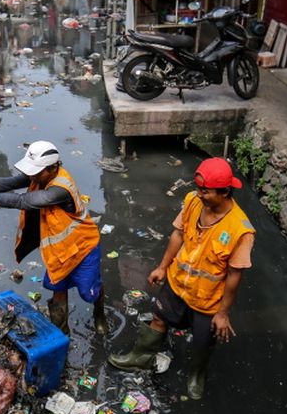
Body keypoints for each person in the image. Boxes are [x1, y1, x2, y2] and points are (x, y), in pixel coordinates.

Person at [108, 158, 254, 400]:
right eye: (198, 189)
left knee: (203, 340)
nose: (199, 195)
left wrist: (222, 313)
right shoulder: (192, 201)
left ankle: (197, 374)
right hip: (177, 282)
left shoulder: (240, 230)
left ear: (225, 191)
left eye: (205, 192)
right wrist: (163, 267)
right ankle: (140, 357)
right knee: (159, 316)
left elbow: (234, 274)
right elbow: (178, 233)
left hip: (207, 298)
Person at [0, 141, 106, 336]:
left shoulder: (60, 188)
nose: (32, 175)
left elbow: (23, 201)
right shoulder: (41, 176)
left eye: (37, 172)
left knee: (89, 292)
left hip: (83, 248)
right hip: (59, 252)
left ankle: (99, 313)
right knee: (58, 292)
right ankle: (62, 335)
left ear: (53, 167)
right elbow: (14, 182)